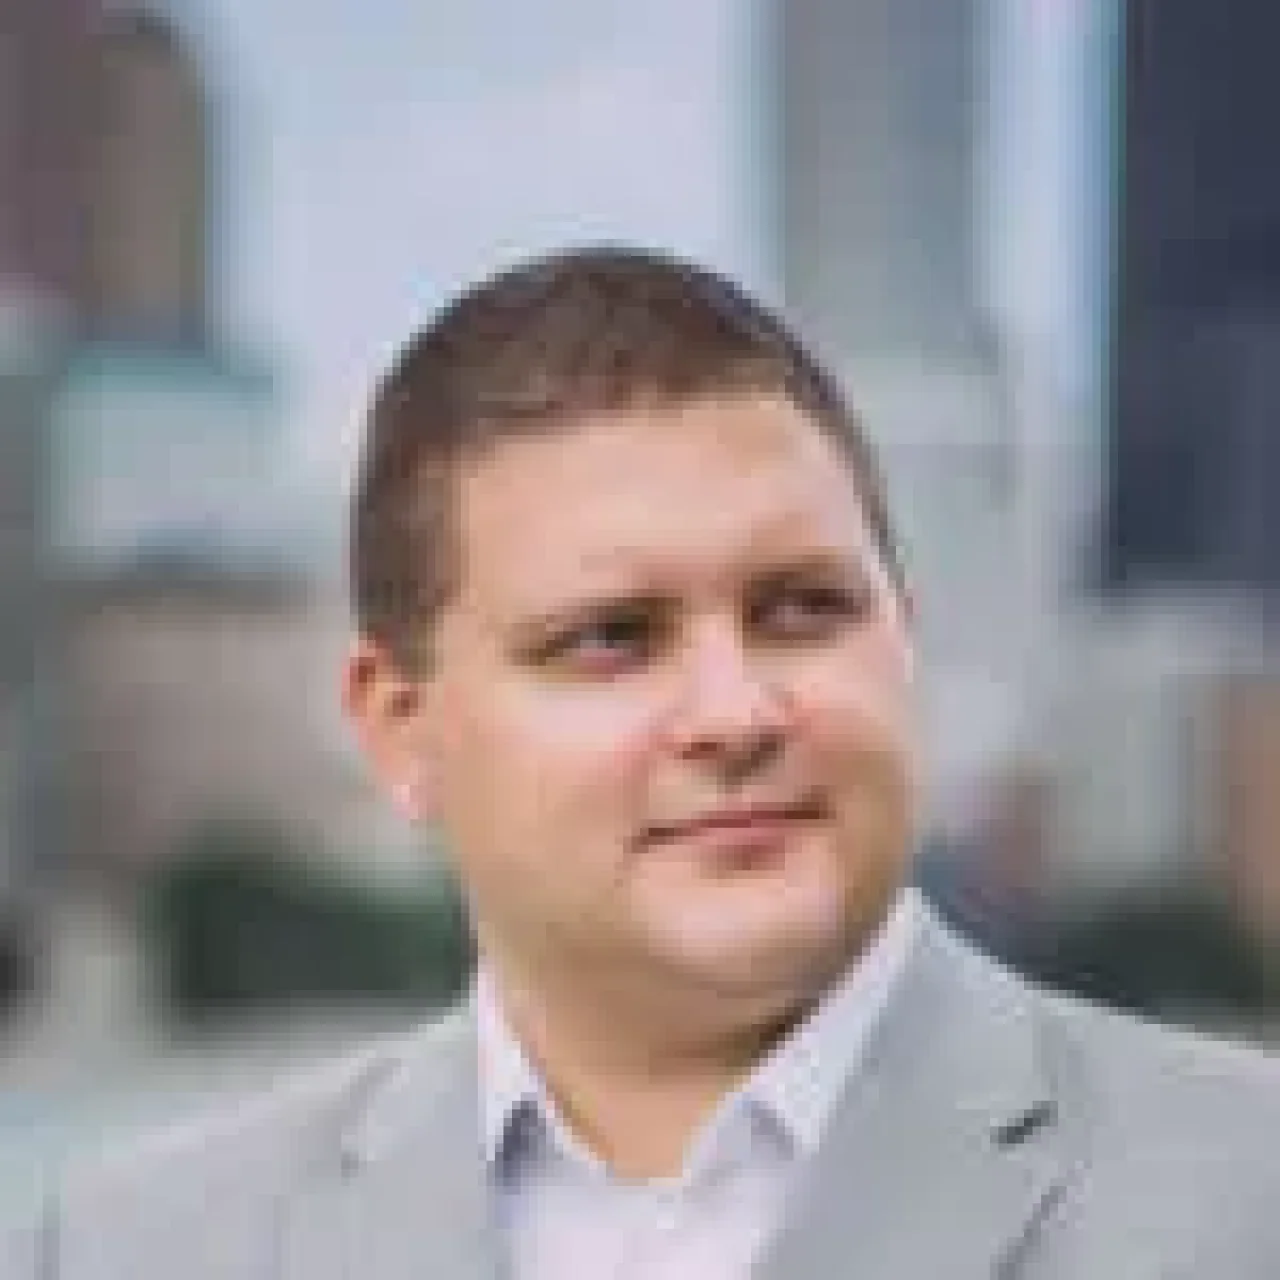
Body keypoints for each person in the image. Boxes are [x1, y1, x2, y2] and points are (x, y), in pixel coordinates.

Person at [15, 246, 1280, 1279]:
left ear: (903, 633)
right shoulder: (134, 1250)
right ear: (402, 728)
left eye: (802, 607)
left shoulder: (1247, 1195)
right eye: (611, 637)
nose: (735, 713)